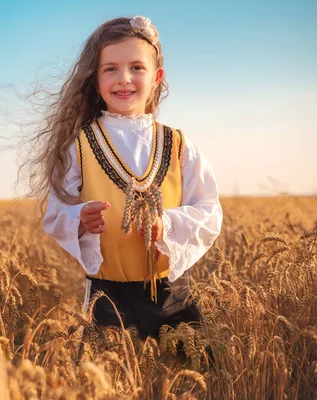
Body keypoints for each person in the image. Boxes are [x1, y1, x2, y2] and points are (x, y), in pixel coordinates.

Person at [40, 16, 223, 340]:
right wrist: (79, 217)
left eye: (137, 67)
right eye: (110, 68)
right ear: (95, 80)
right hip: (109, 298)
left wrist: (166, 225)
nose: (123, 78)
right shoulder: (79, 146)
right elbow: (56, 213)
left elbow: (208, 210)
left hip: (172, 296)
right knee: (115, 383)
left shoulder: (178, 144)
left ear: (156, 77)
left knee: (181, 380)